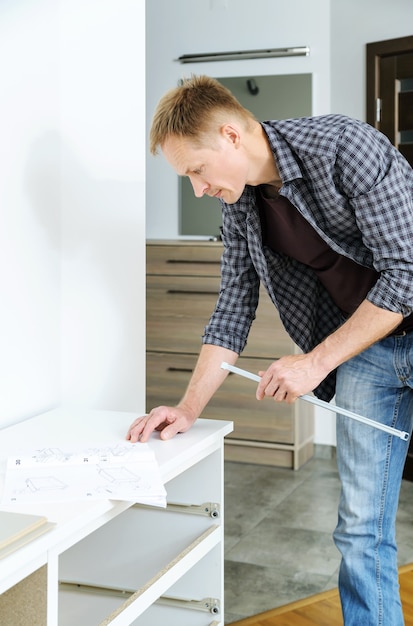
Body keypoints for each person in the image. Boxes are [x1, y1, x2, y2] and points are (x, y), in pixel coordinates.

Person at [126, 75, 413, 625]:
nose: (197, 189)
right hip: (368, 357)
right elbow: (233, 305)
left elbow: (405, 273)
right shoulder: (241, 206)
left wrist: (314, 362)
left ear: (231, 136)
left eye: (196, 170)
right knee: (360, 527)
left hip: (377, 332)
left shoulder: (344, 148)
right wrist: (188, 409)